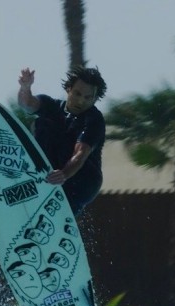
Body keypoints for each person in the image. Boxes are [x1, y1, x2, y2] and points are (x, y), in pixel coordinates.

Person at [17, 66, 107, 214]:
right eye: (77, 94)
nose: (81, 101)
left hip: (80, 182)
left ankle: (64, 214)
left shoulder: (94, 120)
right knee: (43, 123)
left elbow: (81, 154)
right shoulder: (51, 105)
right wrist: (25, 88)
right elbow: (27, 104)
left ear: (95, 99)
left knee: (54, 131)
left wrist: (64, 174)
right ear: (68, 88)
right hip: (52, 175)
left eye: (87, 97)